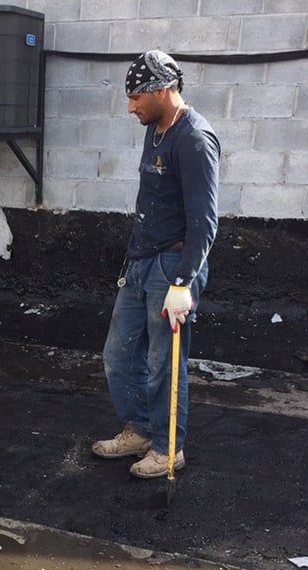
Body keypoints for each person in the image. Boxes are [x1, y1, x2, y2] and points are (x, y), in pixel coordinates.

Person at [92, 51, 220, 478]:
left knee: (165, 361)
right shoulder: (156, 128)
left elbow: (204, 219)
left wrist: (183, 282)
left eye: (135, 99)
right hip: (142, 259)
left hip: (173, 266)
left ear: (162, 90)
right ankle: (140, 430)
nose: (130, 108)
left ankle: (169, 449)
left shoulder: (195, 139)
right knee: (119, 352)